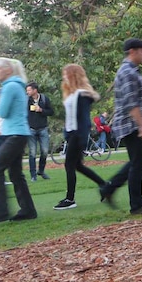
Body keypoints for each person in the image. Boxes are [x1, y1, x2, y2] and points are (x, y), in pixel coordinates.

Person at [99, 39, 142, 215]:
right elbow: (131, 103)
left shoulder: (131, 71)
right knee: (139, 163)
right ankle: (137, 205)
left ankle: (108, 189)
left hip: (131, 123)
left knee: (138, 162)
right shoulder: (127, 72)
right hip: (130, 124)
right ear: (132, 51)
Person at [0, 58, 37, 222]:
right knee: (15, 174)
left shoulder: (9, 87)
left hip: (14, 134)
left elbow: (3, 112)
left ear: (8, 70)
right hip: (18, 133)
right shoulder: (17, 86)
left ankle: (1, 210)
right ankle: (28, 210)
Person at [54, 64, 106, 210]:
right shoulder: (72, 93)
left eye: (66, 74)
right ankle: (104, 185)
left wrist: (80, 137)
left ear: (73, 75)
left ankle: (70, 199)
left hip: (78, 134)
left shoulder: (82, 94)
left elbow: (83, 119)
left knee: (69, 165)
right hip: (72, 134)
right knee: (77, 166)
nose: (64, 77)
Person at [26, 82, 54, 182]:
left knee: (45, 151)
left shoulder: (44, 99)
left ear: (35, 90)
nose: (27, 92)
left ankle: (41, 171)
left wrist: (41, 110)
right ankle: (33, 175)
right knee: (32, 153)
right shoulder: (26, 100)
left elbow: (51, 112)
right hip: (31, 129)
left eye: (29, 90)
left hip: (43, 129)